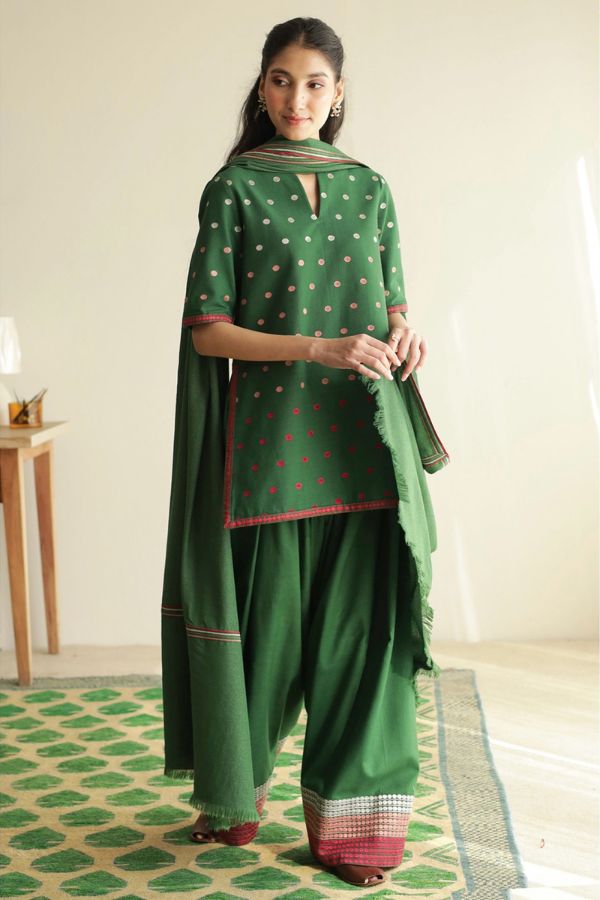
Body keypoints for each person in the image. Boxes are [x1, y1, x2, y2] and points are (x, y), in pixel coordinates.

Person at [161, 16, 450, 889]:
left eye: (315, 82)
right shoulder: (234, 190)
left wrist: (406, 334)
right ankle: (235, 794)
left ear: (339, 92)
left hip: (365, 445)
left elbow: (392, 305)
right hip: (272, 451)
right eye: (282, 80)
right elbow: (209, 331)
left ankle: (354, 833)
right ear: (262, 88)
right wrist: (316, 347)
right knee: (267, 641)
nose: (298, 98)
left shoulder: (371, 189)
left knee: (363, 647)